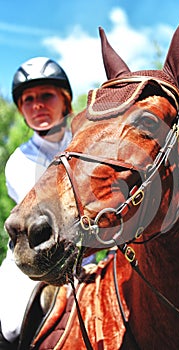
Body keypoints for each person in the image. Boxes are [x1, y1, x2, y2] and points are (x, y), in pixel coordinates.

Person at [0, 57, 93, 348]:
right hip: (34, 262)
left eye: (46, 95)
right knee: (13, 326)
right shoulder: (19, 162)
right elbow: (52, 222)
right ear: (21, 109)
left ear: (65, 102)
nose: (37, 104)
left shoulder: (89, 145)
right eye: (28, 99)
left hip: (92, 257)